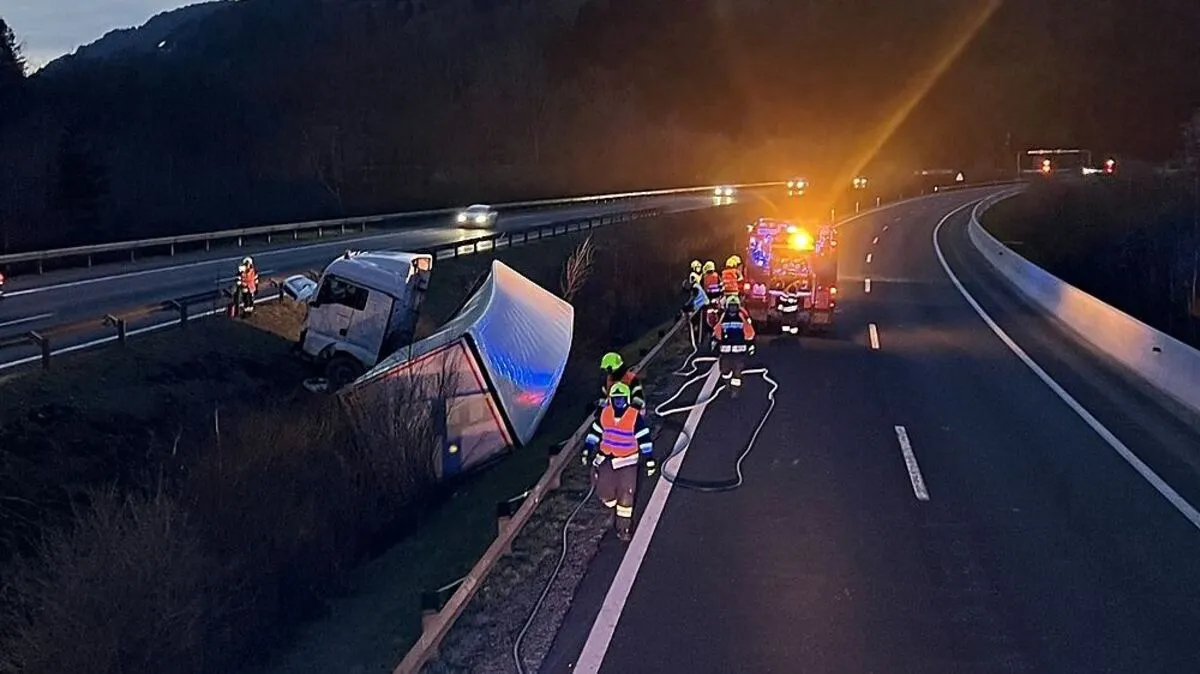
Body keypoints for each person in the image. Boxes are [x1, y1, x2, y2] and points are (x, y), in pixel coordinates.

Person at [583, 382, 655, 541]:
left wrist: (649, 459)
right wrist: (588, 448)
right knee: (604, 493)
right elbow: (595, 432)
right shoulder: (605, 414)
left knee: (626, 496)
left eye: (621, 399)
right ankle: (612, 508)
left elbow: (644, 438)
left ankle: (624, 528)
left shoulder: (634, 416)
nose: (618, 402)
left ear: (627, 399)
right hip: (607, 459)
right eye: (616, 399)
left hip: (627, 461)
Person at [711, 295, 756, 393]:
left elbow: (749, 332)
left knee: (737, 373)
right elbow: (717, 330)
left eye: (734, 306)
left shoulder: (742, 317)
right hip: (726, 353)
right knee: (725, 371)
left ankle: (735, 390)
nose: (732, 308)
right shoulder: (723, 317)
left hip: (738, 354)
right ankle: (727, 384)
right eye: (731, 306)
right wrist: (715, 341)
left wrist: (750, 345)